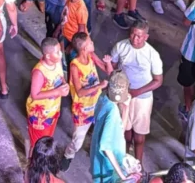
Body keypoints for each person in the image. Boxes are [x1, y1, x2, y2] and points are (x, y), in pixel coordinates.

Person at [110, 20, 163, 165]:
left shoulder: (152, 54)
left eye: (139, 36)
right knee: (125, 131)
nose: (135, 39)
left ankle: (138, 166)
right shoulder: (120, 46)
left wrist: (137, 92)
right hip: (124, 95)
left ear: (146, 37)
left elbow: (158, 80)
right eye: (133, 34)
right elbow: (112, 67)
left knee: (139, 137)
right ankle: (125, 161)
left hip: (143, 98)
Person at [60, 32, 113, 170]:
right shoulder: (74, 66)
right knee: (77, 141)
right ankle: (68, 155)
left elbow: (108, 71)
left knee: (102, 130)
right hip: (82, 108)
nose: (93, 43)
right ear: (84, 48)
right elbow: (80, 92)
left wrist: (107, 63)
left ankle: (98, 155)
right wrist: (99, 86)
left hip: (96, 103)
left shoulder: (91, 56)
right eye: (90, 43)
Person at [26, 36, 69, 153]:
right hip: (40, 116)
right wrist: (58, 92)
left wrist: (65, 85)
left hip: (52, 111)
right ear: (48, 56)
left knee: (46, 141)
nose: (60, 54)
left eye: (60, 50)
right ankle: (33, 166)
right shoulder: (39, 72)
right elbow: (34, 95)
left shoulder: (57, 62)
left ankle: (42, 163)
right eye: (57, 52)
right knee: (37, 145)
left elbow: (60, 77)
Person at [90, 70, 134, 183]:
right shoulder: (112, 112)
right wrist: (123, 176)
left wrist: (126, 108)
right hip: (108, 167)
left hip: (100, 161)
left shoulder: (103, 97)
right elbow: (105, 148)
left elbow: (119, 130)